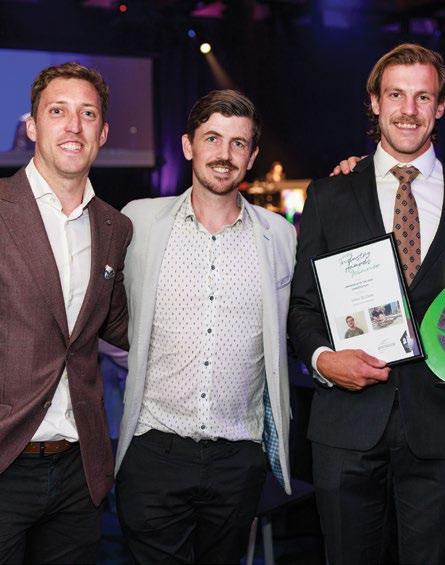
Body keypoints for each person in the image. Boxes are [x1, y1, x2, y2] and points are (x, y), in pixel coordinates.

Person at [288, 43, 445, 565]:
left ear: (440, 106)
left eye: (423, 97)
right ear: (374, 102)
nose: (408, 110)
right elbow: (302, 306)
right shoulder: (328, 196)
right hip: (346, 427)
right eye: (395, 95)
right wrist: (323, 359)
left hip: (443, 427)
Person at [115, 89, 296, 564]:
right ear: (187, 145)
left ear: (252, 156)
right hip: (153, 450)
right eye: (212, 138)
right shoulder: (139, 221)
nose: (224, 154)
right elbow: (107, 311)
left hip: (239, 458)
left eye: (239, 143)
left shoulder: (280, 236)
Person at [0, 62, 132, 564]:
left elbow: (118, 327)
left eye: (87, 114)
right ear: (33, 126)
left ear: (103, 132)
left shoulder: (114, 228)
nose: (74, 126)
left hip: (79, 473)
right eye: (58, 111)